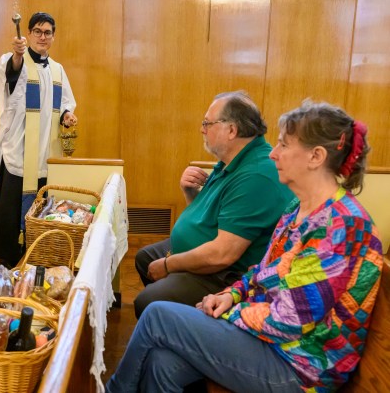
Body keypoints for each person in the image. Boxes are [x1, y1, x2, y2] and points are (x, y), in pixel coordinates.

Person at [106, 101, 384, 392]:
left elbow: (289, 320)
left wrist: (228, 314)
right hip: (271, 342)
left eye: (284, 145)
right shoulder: (297, 209)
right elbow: (263, 271)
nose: (273, 154)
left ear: (316, 156)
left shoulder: (343, 225)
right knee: (162, 362)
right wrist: (230, 295)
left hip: (301, 368)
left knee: (157, 315)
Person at [134, 91, 294, 318]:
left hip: (224, 273)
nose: (202, 129)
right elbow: (207, 215)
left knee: (148, 301)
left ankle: (174, 329)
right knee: (145, 258)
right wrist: (190, 193)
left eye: (207, 123)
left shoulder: (256, 174)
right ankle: (171, 320)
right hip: (212, 250)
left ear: (232, 130)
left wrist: (169, 265)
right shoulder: (233, 159)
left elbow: (223, 254)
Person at [0, 12, 78, 267]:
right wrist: (18, 54)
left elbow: (64, 104)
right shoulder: (11, 60)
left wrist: (68, 115)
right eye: (37, 31)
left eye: (47, 32)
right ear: (27, 34)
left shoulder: (58, 70)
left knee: (43, 213)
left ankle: (40, 263)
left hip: (46, 156)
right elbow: (11, 75)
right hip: (20, 154)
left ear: (53, 36)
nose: (42, 36)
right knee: (12, 220)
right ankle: (9, 268)